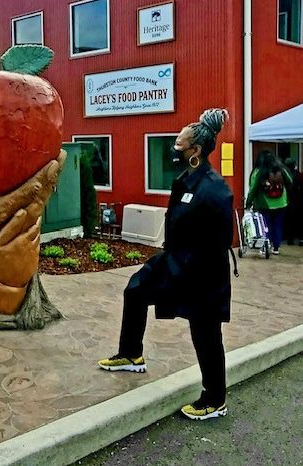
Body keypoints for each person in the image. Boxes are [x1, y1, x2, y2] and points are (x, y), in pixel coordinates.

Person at [98, 108, 235, 421]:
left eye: (178, 146)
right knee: (135, 290)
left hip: (203, 274)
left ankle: (214, 399)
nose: (174, 150)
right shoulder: (186, 179)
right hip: (174, 260)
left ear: (195, 151)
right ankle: (131, 354)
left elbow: (216, 244)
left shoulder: (214, 190)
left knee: (206, 334)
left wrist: (186, 272)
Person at [245, 150, 293, 254]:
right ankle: (276, 248)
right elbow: (290, 181)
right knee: (278, 224)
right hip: (281, 202)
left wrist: (248, 203)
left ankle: (266, 245)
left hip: (264, 203)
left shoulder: (258, 172)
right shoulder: (281, 169)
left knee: (265, 225)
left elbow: (253, 189)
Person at [283, 158, 303, 246]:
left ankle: (289, 239)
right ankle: (301, 239)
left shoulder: (284, 176)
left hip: (287, 201)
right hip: (299, 201)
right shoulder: (299, 175)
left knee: (289, 220)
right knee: (299, 220)